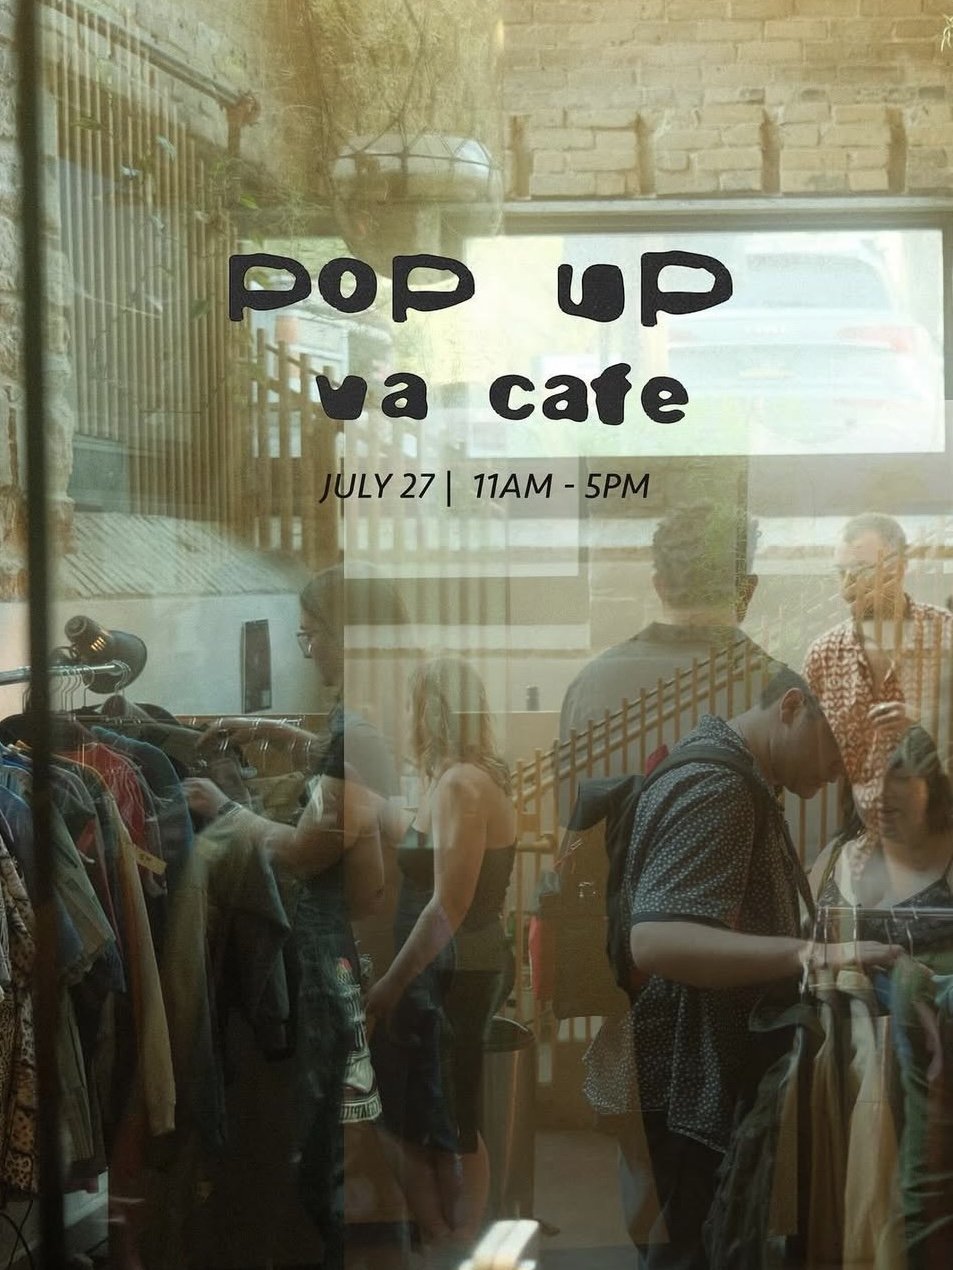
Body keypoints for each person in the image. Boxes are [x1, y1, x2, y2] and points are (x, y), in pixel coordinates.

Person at [612, 668, 901, 1269]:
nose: (843, 770)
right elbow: (656, 941)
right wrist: (812, 955)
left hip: (698, 1086)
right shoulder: (719, 787)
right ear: (793, 707)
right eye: (840, 747)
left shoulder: (739, 779)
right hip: (692, 1091)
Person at [184, 563, 408, 1270]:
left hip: (324, 958)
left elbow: (310, 850)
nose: (307, 648)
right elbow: (354, 777)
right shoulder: (381, 708)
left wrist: (227, 813)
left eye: (312, 634)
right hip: (346, 948)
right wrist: (279, 732)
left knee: (323, 1149)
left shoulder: (359, 723)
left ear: (347, 634)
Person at [366, 657, 517, 1255]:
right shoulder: (459, 779)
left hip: (450, 971)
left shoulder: (459, 785)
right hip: (449, 969)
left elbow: (446, 907)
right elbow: (427, 844)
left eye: (410, 706)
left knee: (449, 1116)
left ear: (428, 712)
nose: (405, 719)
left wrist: (388, 987)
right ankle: (447, 1237)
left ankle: (457, 1240)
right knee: (426, 1110)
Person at [559, 502, 779, 818]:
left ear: (659, 586)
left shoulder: (591, 684)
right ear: (747, 589)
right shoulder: (779, 693)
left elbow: (570, 814)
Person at [803, 513, 953, 853]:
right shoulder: (824, 657)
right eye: (841, 574)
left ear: (899, 568)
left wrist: (927, 725)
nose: (846, 590)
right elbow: (809, 765)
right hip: (859, 854)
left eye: (861, 572)